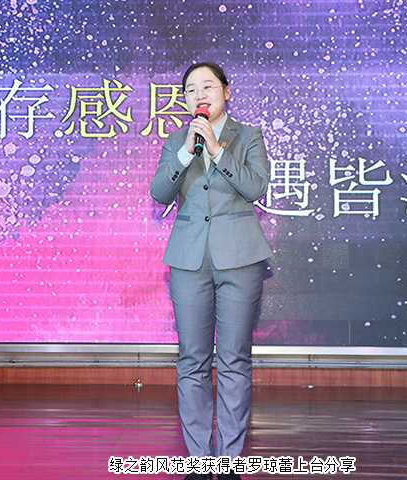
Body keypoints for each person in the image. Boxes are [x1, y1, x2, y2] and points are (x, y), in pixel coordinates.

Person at [150, 62, 273, 480]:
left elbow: (256, 187)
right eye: (190, 90)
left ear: (226, 91)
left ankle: (230, 462)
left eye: (208, 86)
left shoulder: (248, 136)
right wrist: (187, 152)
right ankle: (201, 462)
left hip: (240, 258)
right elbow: (160, 192)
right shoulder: (176, 141)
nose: (199, 95)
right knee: (193, 360)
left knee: (235, 358)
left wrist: (217, 150)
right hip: (189, 260)